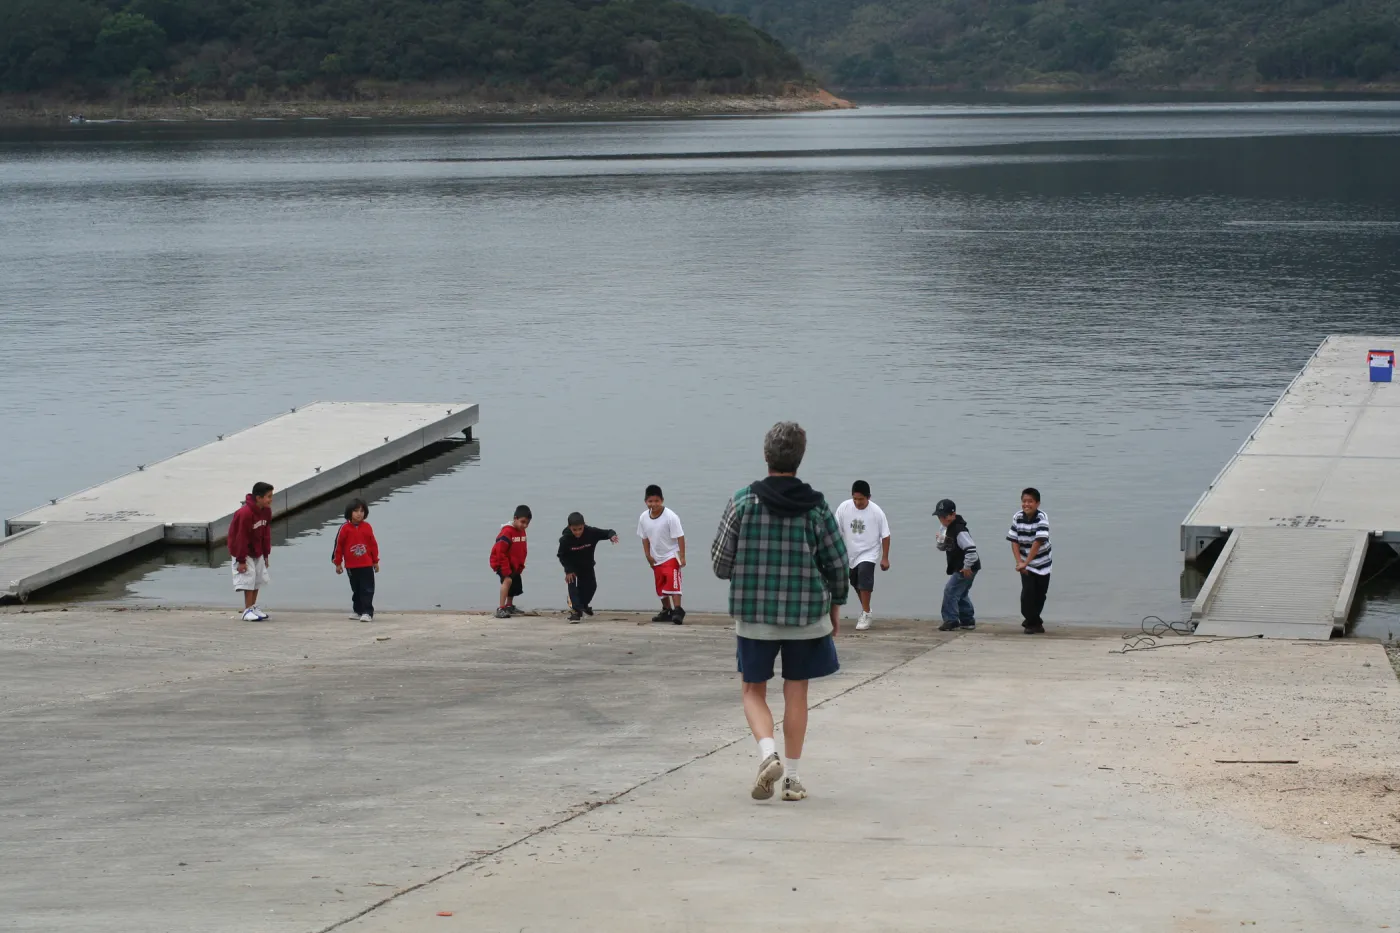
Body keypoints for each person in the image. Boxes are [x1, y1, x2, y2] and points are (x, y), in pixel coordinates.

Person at [711, 422, 849, 803]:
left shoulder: (743, 501)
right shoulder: (818, 506)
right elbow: (838, 562)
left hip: (755, 615)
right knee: (797, 693)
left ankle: (766, 752)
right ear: (799, 459)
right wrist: (836, 604)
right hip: (806, 616)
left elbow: (720, 562)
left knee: (753, 690)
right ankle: (792, 778)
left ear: (766, 455)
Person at [833, 480, 891, 631]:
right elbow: (835, 530)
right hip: (850, 551)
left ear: (869, 497)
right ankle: (867, 609)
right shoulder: (844, 508)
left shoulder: (876, 512)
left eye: (861, 499)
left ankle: (865, 613)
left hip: (869, 551)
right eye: (855, 499)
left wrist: (885, 557)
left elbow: (885, 535)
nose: (857, 503)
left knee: (864, 576)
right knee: (855, 581)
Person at [557, 512, 619, 622]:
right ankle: (576, 611)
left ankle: (583, 605)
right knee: (573, 587)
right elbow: (561, 555)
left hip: (587, 565)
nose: (577, 532)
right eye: (574, 530)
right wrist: (568, 570)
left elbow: (608, 532)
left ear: (584, 525)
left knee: (591, 587)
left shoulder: (591, 532)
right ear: (569, 527)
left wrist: (612, 536)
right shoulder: (565, 539)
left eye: (580, 529)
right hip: (572, 568)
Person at [638, 485, 686, 624]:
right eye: (650, 501)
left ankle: (677, 610)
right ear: (646, 502)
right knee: (660, 584)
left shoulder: (671, 517)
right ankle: (666, 610)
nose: (654, 504)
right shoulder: (643, 518)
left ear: (662, 500)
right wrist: (647, 555)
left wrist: (682, 556)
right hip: (656, 556)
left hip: (671, 555)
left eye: (657, 501)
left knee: (673, 582)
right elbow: (644, 538)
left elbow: (680, 536)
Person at [1007, 487, 1052, 634]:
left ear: (1037, 503)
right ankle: (1032, 622)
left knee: (1040, 595)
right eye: (1024, 501)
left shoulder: (1042, 518)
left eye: (1030, 501)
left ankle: (1034, 622)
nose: (1026, 504)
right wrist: (1020, 562)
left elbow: (1038, 542)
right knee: (1027, 593)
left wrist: (1026, 563)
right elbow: (1014, 541)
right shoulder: (1017, 517)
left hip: (1042, 562)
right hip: (1025, 563)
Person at [228, 481, 274, 622]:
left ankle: (253, 607)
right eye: (268, 496)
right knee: (248, 578)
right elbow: (240, 537)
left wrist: (266, 554)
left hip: (258, 550)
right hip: (243, 551)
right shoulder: (245, 514)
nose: (271, 500)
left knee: (257, 578)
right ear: (258, 498)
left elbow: (266, 533)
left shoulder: (266, 512)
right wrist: (241, 560)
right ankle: (247, 609)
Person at [934, 498, 980, 632]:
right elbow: (942, 547)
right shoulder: (945, 527)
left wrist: (966, 567)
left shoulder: (960, 530)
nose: (942, 519)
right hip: (960, 566)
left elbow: (971, 550)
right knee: (961, 593)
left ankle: (951, 620)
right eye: (940, 516)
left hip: (967, 567)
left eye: (945, 516)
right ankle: (967, 620)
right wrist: (940, 541)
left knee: (950, 590)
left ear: (953, 515)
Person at [332, 497, 380, 622]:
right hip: (351, 566)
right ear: (350, 512)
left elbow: (373, 544)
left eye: (362, 511)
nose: (359, 514)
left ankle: (368, 612)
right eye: (356, 511)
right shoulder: (344, 528)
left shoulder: (367, 527)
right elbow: (338, 546)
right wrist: (338, 563)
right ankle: (358, 610)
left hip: (366, 564)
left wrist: (375, 561)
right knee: (356, 589)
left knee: (367, 589)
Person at [490, 505, 531, 619]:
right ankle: (501, 608)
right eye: (522, 522)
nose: (524, 525)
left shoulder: (522, 532)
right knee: (507, 581)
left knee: (514, 582)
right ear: (515, 518)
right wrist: (505, 568)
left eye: (527, 523)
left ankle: (509, 605)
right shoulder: (506, 532)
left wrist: (520, 564)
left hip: (514, 563)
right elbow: (500, 551)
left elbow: (523, 549)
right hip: (501, 562)